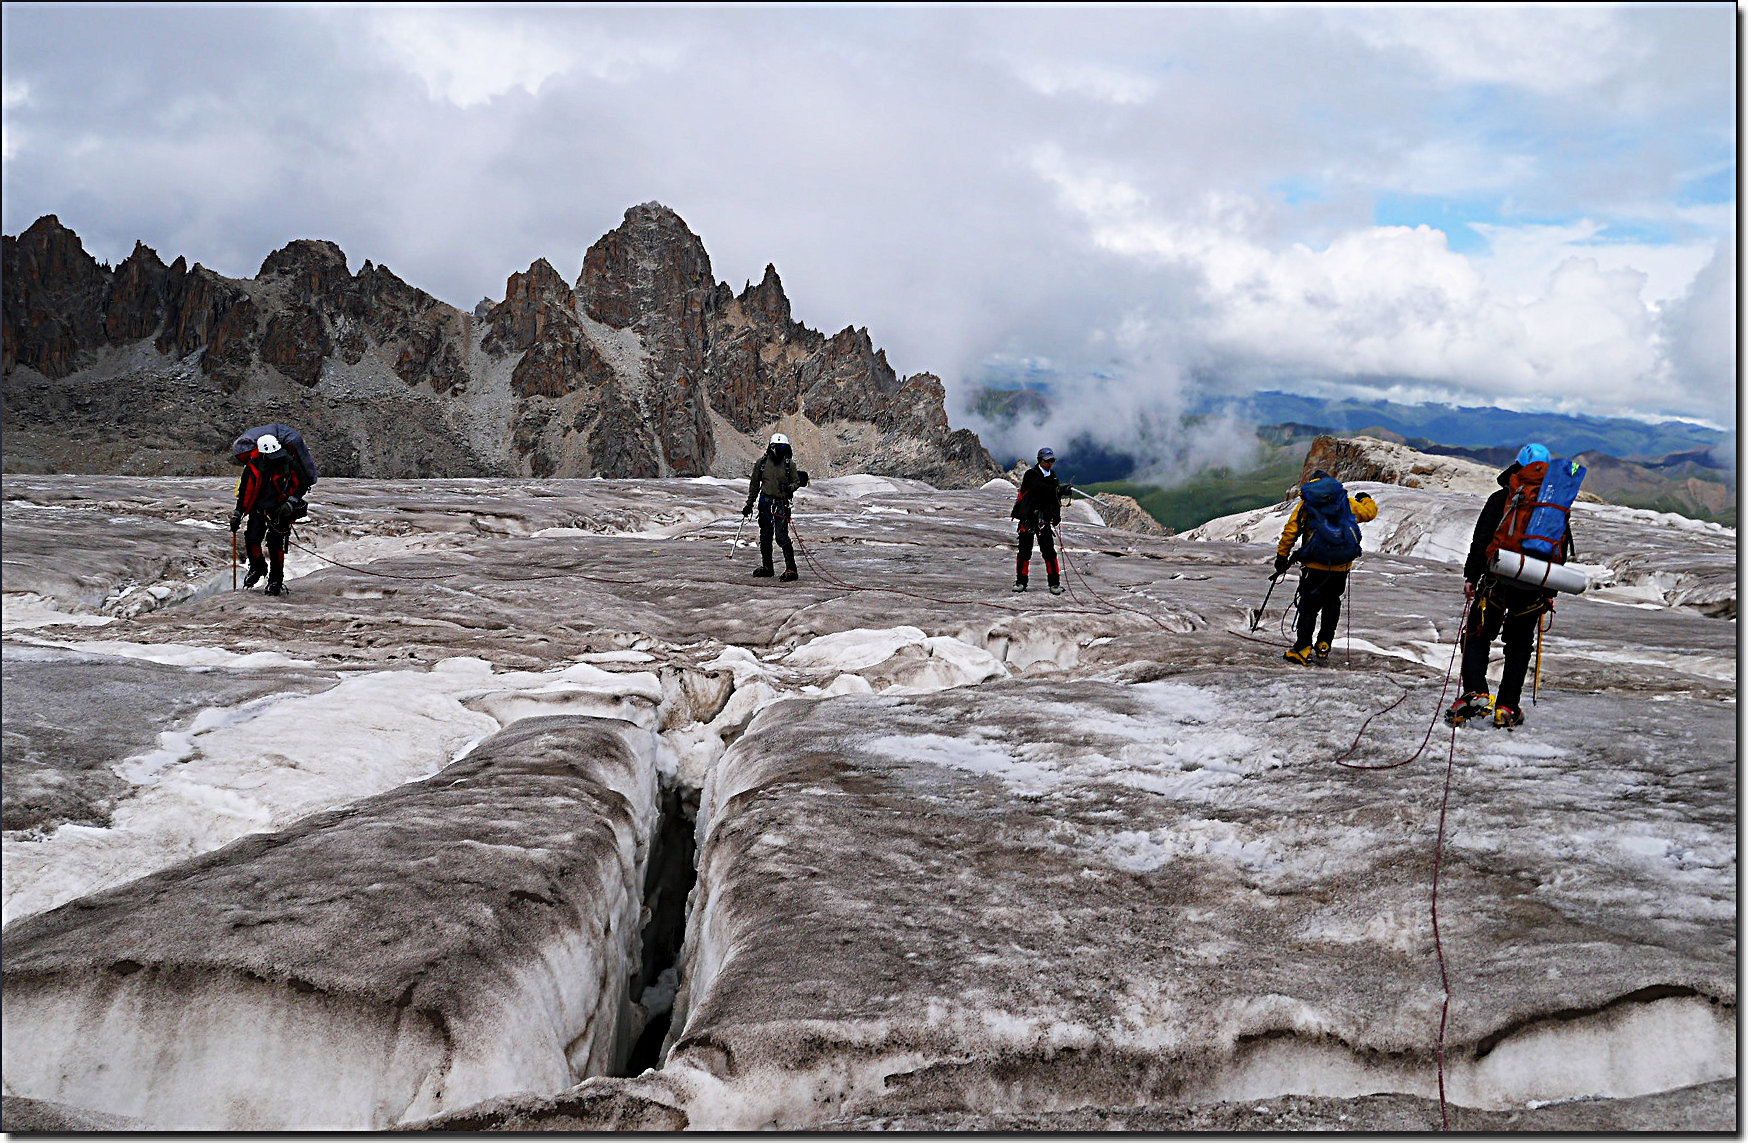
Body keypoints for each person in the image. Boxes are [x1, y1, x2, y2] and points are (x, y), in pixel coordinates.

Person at [1447, 443, 1574, 729]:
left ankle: (1476, 691)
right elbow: (1559, 550)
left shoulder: (1500, 498)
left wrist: (1471, 577)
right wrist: (1549, 592)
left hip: (1495, 580)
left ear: (1517, 466)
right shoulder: (1554, 506)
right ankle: (1506, 707)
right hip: (1533, 586)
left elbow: (1481, 541)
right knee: (1518, 646)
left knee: (1477, 635)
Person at [1274, 470, 1377, 664]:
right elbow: (1369, 514)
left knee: (1309, 606)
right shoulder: (1344, 502)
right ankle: (1324, 644)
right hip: (1340, 567)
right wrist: (1366, 499)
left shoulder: (1307, 504)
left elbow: (1291, 530)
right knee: (1332, 602)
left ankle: (1302, 648)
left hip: (1314, 564)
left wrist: (1282, 556)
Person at [229, 433, 309, 596]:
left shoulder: (289, 463)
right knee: (252, 538)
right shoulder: (253, 466)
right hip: (258, 509)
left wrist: (291, 502)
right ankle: (258, 567)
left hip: (280, 511)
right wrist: (238, 513)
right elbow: (245, 491)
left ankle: (275, 580)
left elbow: (302, 483)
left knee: (275, 544)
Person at [741, 432, 808, 582]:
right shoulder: (762, 463)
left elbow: (796, 482)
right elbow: (754, 485)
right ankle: (767, 568)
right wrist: (749, 504)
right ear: (772, 447)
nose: (781, 450)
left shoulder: (789, 464)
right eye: (779, 447)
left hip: (781, 504)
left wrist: (789, 488)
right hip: (765, 503)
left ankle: (791, 569)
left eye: (784, 447)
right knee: (765, 537)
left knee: (781, 536)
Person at [1011, 447, 1069, 594]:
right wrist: (1058, 490)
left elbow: (1054, 499)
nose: (1050, 463)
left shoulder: (1053, 476)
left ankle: (1054, 584)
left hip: (1044, 519)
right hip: (1028, 518)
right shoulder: (1031, 475)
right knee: (1024, 552)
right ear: (1040, 461)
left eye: (1052, 461)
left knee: (1049, 551)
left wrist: (1056, 515)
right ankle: (1021, 582)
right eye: (1048, 461)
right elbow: (1039, 488)